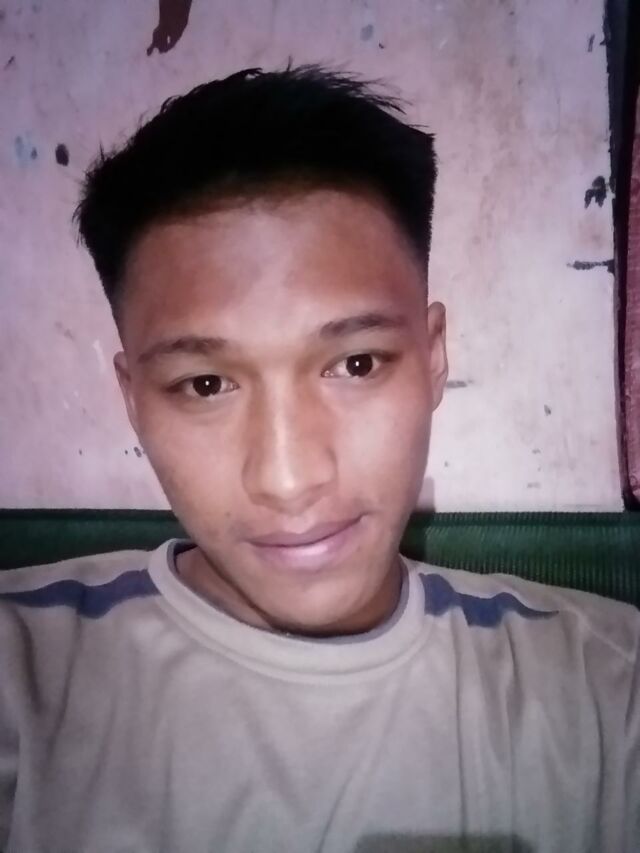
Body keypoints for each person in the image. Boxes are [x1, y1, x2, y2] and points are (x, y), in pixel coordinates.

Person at [0, 64, 638, 853]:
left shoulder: (609, 691)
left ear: (433, 356)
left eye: (357, 364)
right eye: (206, 383)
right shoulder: (21, 677)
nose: (289, 477)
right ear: (134, 398)